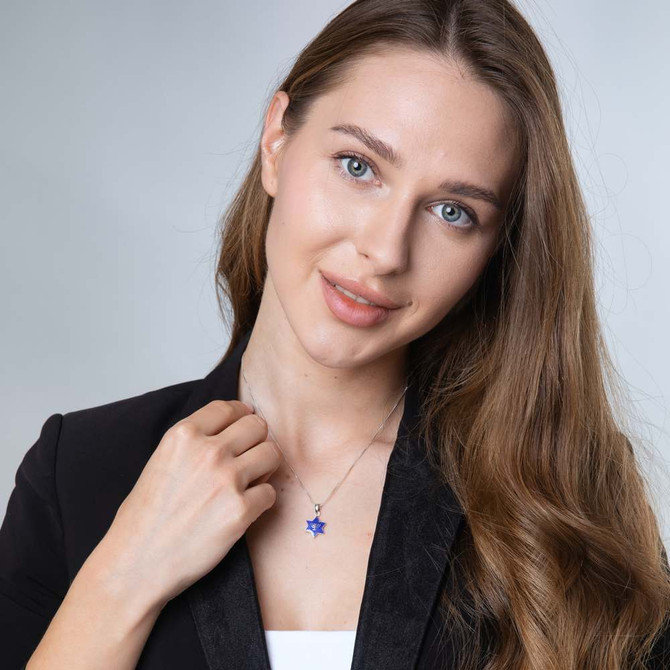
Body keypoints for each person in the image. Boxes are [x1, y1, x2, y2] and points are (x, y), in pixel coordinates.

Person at [1, 0, 669, 668]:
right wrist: (125, 575)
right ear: (276, 142)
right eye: (358, 166)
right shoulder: (80, 473)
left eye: (451, 211)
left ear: (497, 248)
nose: (384, 250)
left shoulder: (569, 496)